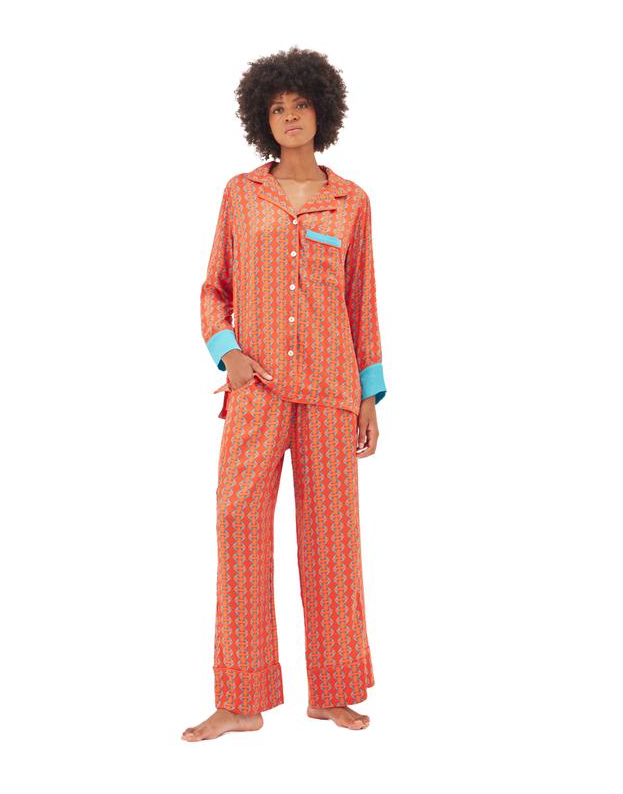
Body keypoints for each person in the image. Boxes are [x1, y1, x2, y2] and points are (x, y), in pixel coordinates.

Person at [182, 46, 387, 742]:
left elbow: (362, 302)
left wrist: (369, 396)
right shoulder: (242, 194)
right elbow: (213, 288)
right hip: (258, 391)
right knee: (239, 527)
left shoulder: (351, 201)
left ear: (322, 112)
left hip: (330, 392)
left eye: (301, 105)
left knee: (331, 543)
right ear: (261, 119)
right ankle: (241, 699)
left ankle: (333, 691)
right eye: (278, 108)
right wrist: (229, 353)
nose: (290, 116)